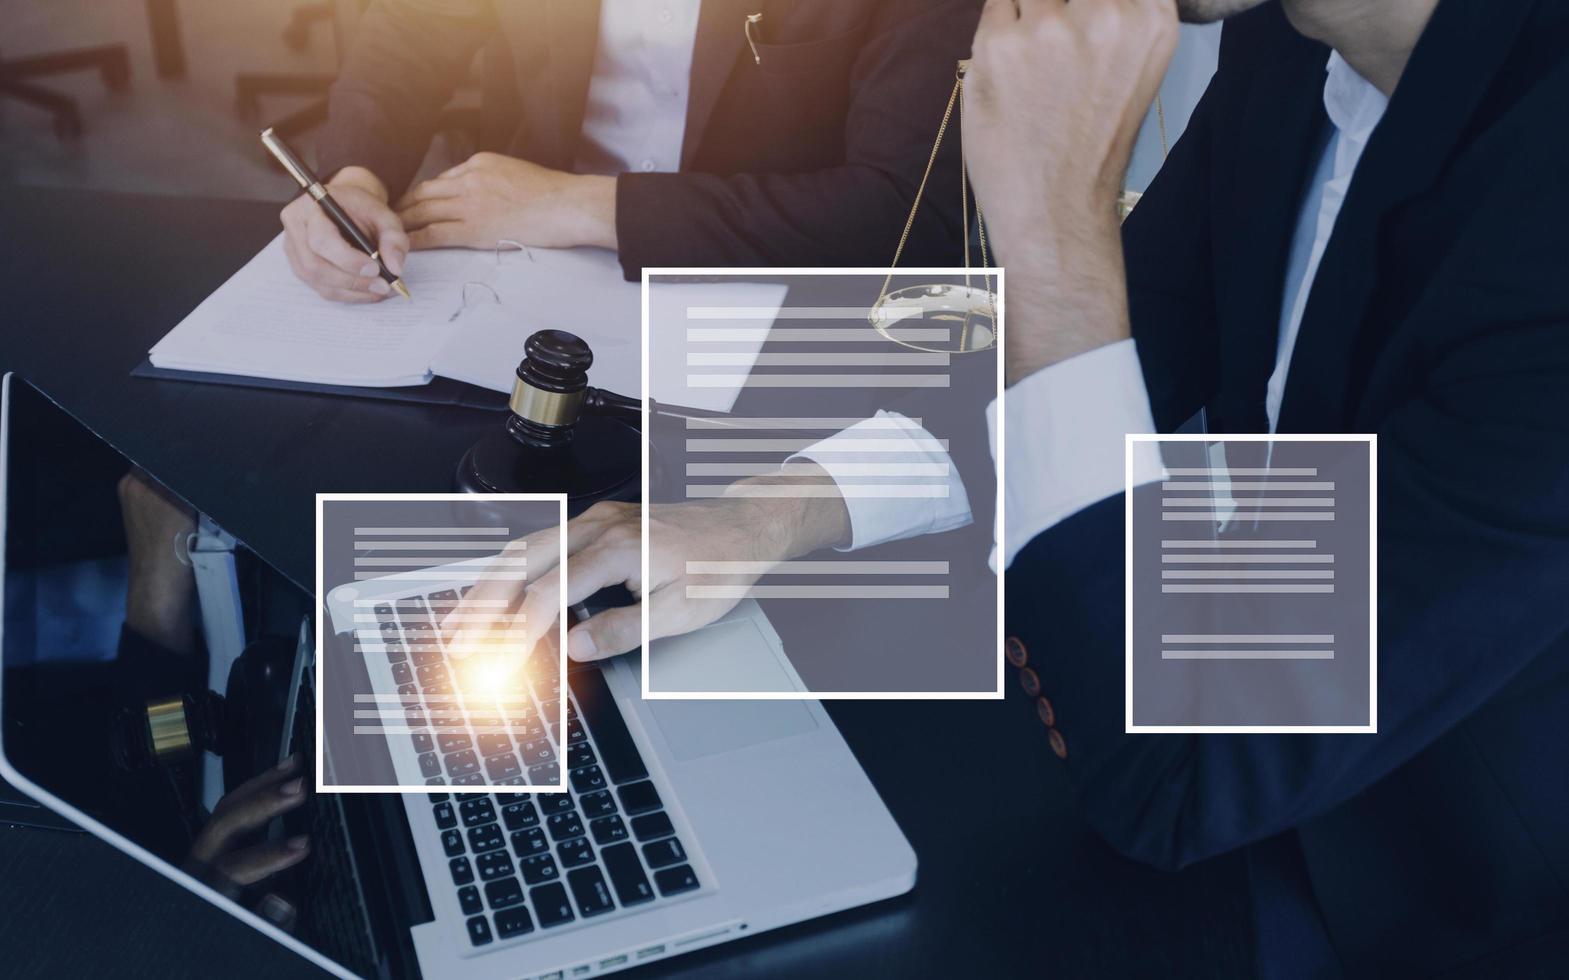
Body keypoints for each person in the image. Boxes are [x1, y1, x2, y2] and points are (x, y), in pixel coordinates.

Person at [960, 0, 1569, 977]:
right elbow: (1124, 357)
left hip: (1448, 903)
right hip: (1247, 777)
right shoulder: (1289, 45)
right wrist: (776, 511)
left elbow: (1181, 767)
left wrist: (1053, 229)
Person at [280, 0, 982, 302]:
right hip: (523, 260)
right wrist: (354, 176)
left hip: (769, 283)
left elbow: (910, 212)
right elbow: (415, 27)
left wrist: (584, 205)